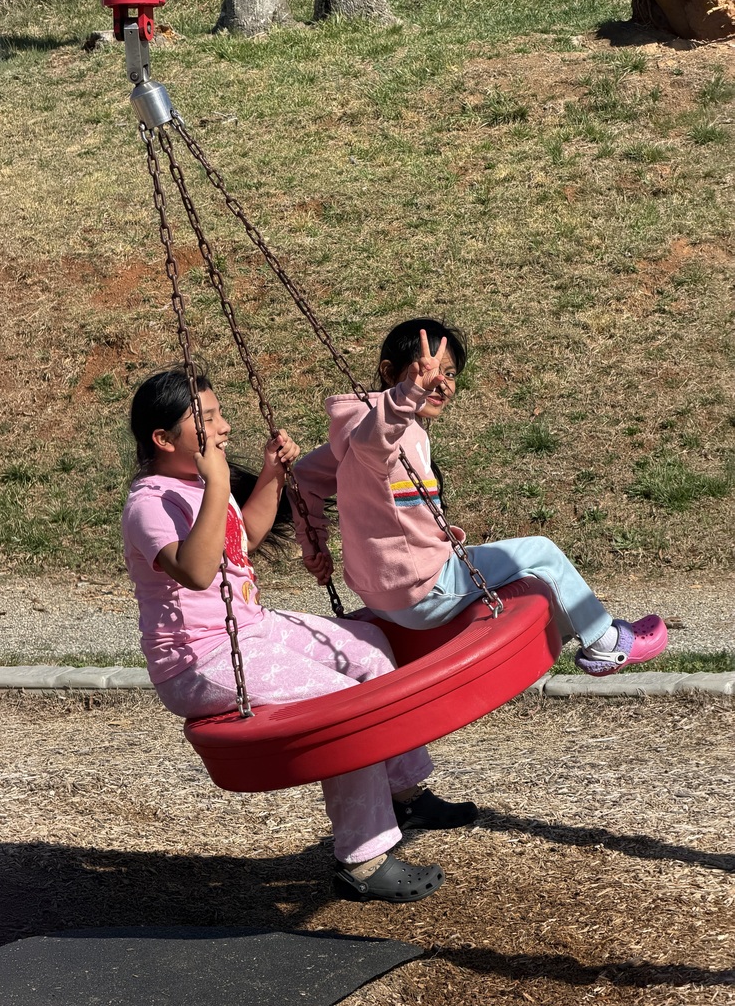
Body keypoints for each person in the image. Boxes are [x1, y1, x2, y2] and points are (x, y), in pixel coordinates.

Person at [121, 366, 479, 904]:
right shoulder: (151, 503)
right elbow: (196, 571)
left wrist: (267, 476)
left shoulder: (197, 486)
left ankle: (404, 792)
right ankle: (363, 858)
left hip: (250, 628)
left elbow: (247, 536)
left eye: (219, 414)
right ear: (165, 439)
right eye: (209, 419)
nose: (223, 428)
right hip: (200, 658)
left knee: (368, 648)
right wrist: (220, 482)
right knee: (345, 710)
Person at [291, 318, 668, 676]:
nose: (440, 383)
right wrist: (409, 394)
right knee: (542, 552)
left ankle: (567, 630)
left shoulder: (354, 435)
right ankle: (606, 643)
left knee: (525, 569)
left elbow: (304, 477)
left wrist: (314, 548)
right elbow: (374, 441)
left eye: (449, 373)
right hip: (423, 591)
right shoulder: (379, 432)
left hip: (382, 597)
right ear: (390, 374)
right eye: (425, 371)